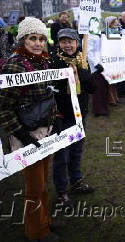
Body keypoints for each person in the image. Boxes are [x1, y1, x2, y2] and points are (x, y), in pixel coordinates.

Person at [0, 17, 58, 241]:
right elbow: (0, 105)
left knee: (43, 183)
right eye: (32, 38)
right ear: (22, 40)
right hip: (26, 135)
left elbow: (47, 94)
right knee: (34, 186)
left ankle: (45, 222)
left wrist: (54, 118)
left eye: (41, 38)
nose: (38, 43)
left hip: (44, 133)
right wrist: (21, 134)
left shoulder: (43, 62)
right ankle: (36, 232)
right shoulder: (15, 64)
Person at [50, 28, 96, 208]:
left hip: (80, 114)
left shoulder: (82, 60)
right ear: (59, 43)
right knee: (62, 155)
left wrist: (84, 75)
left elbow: (93, 89)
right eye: (63, 41)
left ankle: (76, 182)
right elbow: (51, 88)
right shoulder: (54, 61)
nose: (68, 45)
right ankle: (62, 192)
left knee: (77, 151)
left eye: (71, 41)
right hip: (61, 116)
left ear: (77, 43)